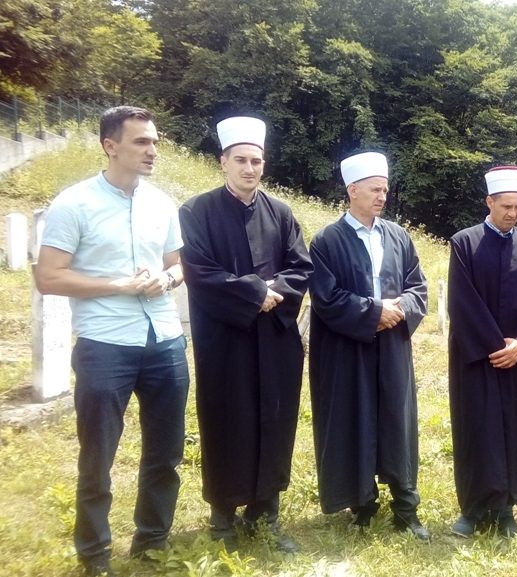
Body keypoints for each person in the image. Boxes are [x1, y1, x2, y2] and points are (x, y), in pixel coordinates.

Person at [34, 106, 190, 577]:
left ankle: (152, 541)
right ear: (110, 146)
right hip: (105, 344)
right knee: (98, 455)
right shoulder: (74, 203)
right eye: (141, 141)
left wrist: (167, 278)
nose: (152, 150)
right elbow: (48, 277)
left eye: (155, 141)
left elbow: (179, 264)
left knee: (166, 452)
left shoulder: (162, 203)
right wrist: (119, 285)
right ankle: (94, 553)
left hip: (164, 339)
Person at [178, 116, 311, 553]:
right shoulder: (196, 212)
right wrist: (256, 293)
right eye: (241, 160)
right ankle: (222, 516)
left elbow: (301, 267)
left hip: (275, 338)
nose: (249, 168)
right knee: (226, 418)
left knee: (274, 419)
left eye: (256, 161)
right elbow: (199, 271)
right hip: (225, 339)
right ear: (223, 162)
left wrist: (274, 294)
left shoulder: (281, 212)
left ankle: (265, 512)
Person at [308, 151, 430, 540]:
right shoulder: (326, 241)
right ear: (353, 190)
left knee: (398, 420)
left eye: (385, 189)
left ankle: (406, 507)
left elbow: (418, 286)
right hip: (348, 347)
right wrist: (373, 312)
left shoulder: (398, 236)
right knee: (353, 418)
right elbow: (325, 297)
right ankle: (361, 504)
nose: (382, 196)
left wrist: (399, 309)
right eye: (375, 189)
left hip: (392, 344)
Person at [447, 165, 517, 539]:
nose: (512, 214)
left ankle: (506, 509)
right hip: (476, 358)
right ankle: (472, 509)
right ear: (489, 201)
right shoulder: (464, 243)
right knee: (476, 429)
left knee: (516, 432)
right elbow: (462, 303)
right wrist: (496, 347)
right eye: (506, 206)